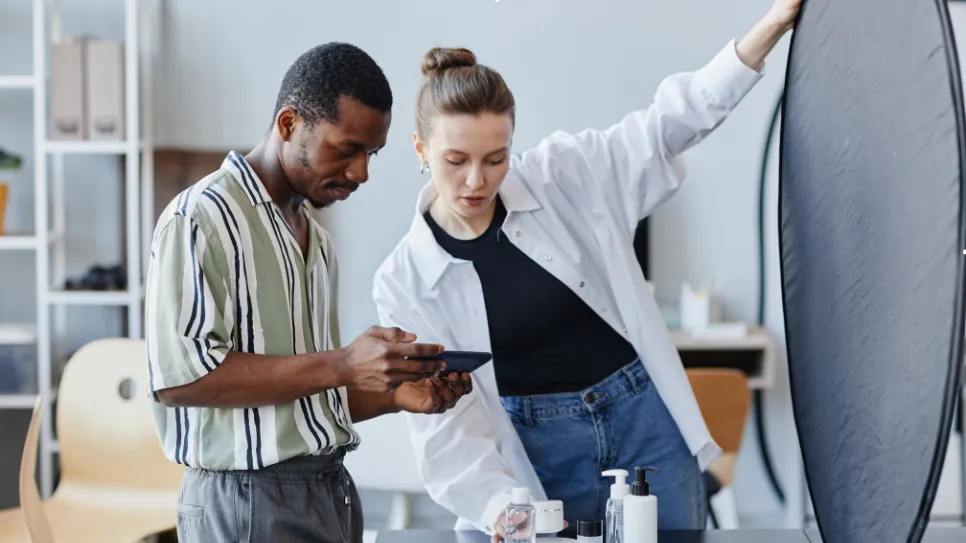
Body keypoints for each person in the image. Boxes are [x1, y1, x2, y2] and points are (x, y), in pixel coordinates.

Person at [372, 0, 801, 538]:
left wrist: (772, 25)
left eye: (496, 157)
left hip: (645, 426)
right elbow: (448, 428)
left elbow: (668, 125)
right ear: (421, 149)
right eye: (456, 161)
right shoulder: (404, 280)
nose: (477, 181)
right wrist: (506, 510)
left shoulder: (563, 175)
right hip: (532, 453)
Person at [145, 42, 473, 543]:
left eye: (371, 154)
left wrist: (396, 393)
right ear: (288, 125)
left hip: (328, 493)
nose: (361, 172)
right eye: (346, 149)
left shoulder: (316, 241)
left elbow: (297, 396)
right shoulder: (201, 219)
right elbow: (180, 380)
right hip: (245, 505)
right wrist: (343, 363)